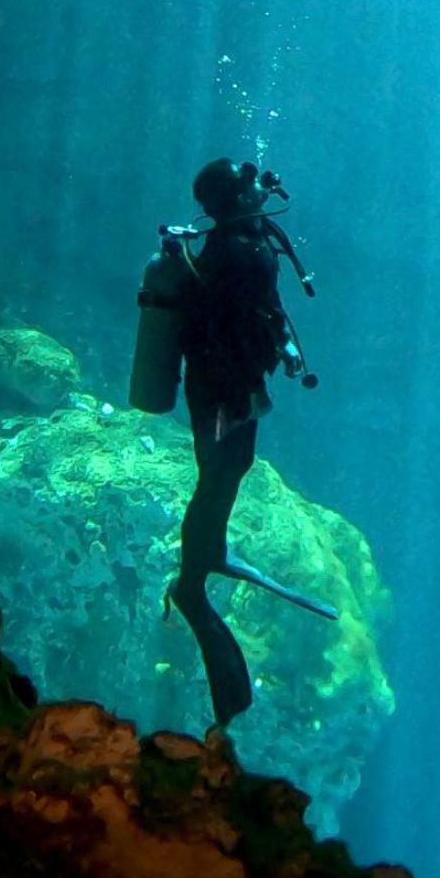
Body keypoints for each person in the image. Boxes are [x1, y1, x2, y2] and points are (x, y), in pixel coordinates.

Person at [163, 158, 334, 727]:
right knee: (218, 472)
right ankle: (193, 577)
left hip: (235, 383)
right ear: (236, 196)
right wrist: (242, 381)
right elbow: (225, 321)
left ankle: (207, 553)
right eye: (252, 178)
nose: (266, 184)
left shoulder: (250, 240)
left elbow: (266, 308)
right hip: (220, 388)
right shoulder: (234, 249)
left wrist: (279, 350)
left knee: (232, 469)